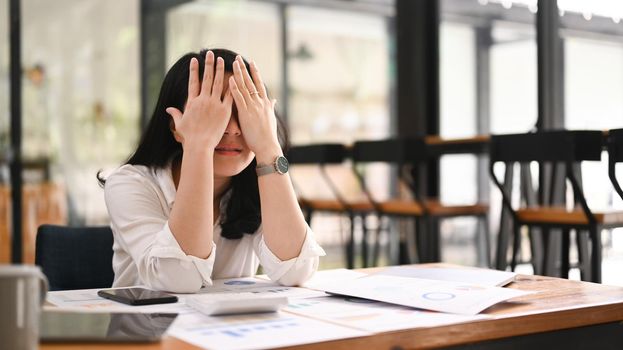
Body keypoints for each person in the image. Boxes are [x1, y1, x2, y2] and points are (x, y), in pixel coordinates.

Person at [100, 48, 325, 293]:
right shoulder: (129, 184)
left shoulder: (260, 184)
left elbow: (296, 271)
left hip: (229, 329)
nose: (232, 129)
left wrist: (269, 147)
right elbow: (178, 279)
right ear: (175, 125)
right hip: (149, 327)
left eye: (243, 111)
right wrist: (198, 146)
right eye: (214, 112)